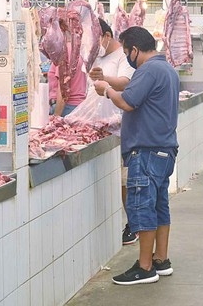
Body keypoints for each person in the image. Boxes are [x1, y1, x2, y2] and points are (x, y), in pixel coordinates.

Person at [94, 26, 179, 285]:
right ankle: (160, 260)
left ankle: (144, 267)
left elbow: (127, 101)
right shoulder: (166, 69)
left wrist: (105, 90)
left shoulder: (149, 69)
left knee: (142, 207)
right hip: (163, 150)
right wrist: (110, 81)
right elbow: (134, 90)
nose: (128, 57)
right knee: (158, 206)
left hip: (147, 151)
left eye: (127, 51)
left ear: (134, 49)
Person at [89, 19, 137, 245]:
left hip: (119, 123)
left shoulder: (123, 58)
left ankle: (133, 224)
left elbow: (125, 83)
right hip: (99, 122)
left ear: (107, 35)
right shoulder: (97, 55)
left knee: (125, 180)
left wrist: (105, 82)